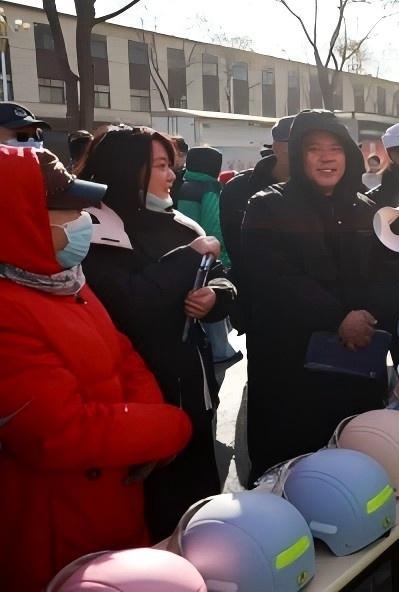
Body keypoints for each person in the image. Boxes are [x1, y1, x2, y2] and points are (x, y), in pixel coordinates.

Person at [0, 145, 191, 590]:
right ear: (19, 219)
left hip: (113, 505)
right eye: (69, 211)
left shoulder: (60, 281)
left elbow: (122, 355)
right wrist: (168, 428)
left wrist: (148, 427)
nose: (83, 220)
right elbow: (57, 431)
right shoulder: (9, 308)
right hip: (55, 529)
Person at [78, 126, 235, 541]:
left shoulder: (180, 224)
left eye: (171, 165)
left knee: (196, 501)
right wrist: (188, 259)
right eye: (161, 166)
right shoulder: (90, 229)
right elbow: (130, 304)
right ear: (126, 169)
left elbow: (222, 280)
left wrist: (215, 296)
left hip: (191, 384)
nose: (172, 175)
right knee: (150, 509)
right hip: (130, 393)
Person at [241, 109, 399, 486]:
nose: (326, 157)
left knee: (357, 470)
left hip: (357, 364)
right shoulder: (267, 205)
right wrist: (338, 317)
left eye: (335, 148)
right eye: (314, 149)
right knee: (292, 476)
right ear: (298, 156)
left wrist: (368, 315)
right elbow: (273, 278)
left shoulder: (366, 209)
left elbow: (388, 272)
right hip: (292, 372)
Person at [219, 115, 294, 332]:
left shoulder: (324, 189)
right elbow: (237, 250)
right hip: (259, 308)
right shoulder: (239, 188)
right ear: (276, 146)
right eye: (292, 144)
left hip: (316, 310)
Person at [178, 145, 240, 364]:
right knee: (212, 300)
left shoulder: (182, 184)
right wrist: (223, 259)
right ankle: (222, 352)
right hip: (206, 254)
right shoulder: (209, 187)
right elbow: (213, 225)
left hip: (183, 251)